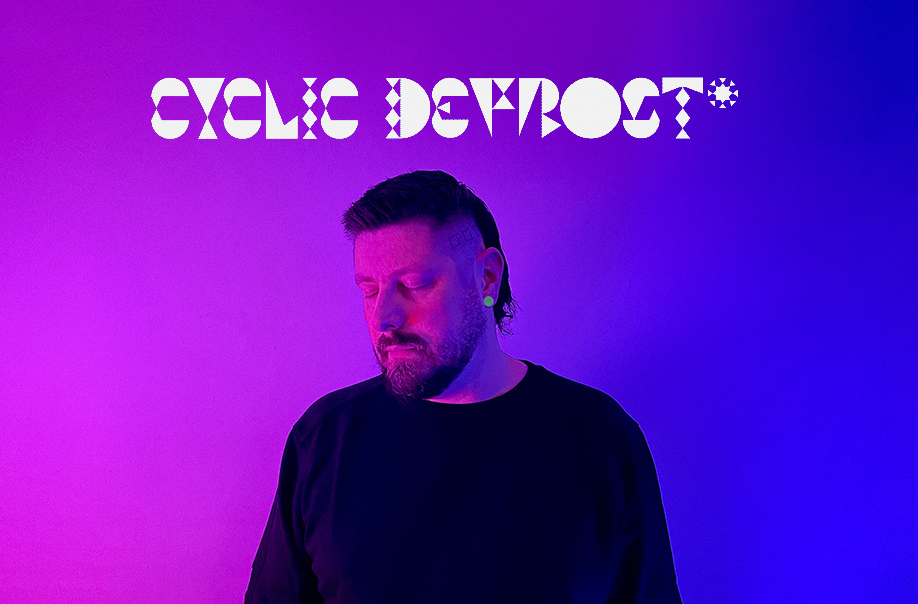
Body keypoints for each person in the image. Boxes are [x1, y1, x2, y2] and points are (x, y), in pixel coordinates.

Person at [245, 170, 683, 604]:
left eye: (414, 284)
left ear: (487, 277)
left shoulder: (601, 436)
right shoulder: (324, 438)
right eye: (370, 290)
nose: (384, 317)